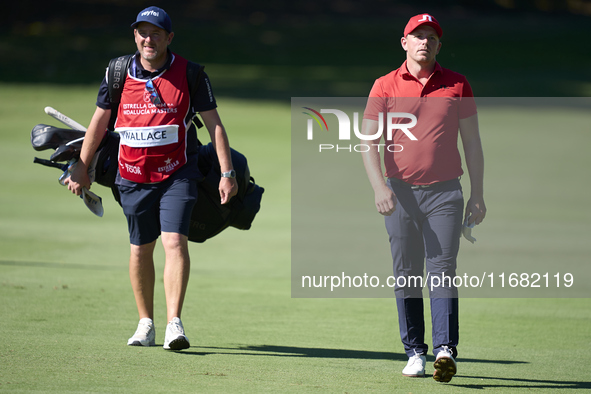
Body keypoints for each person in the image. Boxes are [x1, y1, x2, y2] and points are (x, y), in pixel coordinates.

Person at [66, 6, 238, 351]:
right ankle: (146, 323)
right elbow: (100, 121)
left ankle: (175, 323)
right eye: (143, 32)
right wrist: (81, 165)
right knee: (140, 248)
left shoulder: (190, 73)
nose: (149, 39)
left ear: (168, 38)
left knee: (174, 241)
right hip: (131, 175)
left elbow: (215, 123)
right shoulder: (117, 72)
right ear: (135, 36)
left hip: (178, 172)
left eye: (156, 33)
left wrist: (227, 171)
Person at [360, 14, 486, 382]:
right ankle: (415, 351)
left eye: (431, 37)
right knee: (407, 274)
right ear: (404, 42)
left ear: (439, 46)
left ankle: (445, 349)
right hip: (399, 194)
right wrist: (379, 188)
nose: (425, 42)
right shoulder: (384, 85)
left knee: (442, 269)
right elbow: (368, 142)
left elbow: (472, 143)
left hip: (445, 193)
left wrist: (477, 194)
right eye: (418, 36)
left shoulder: (457, 84)